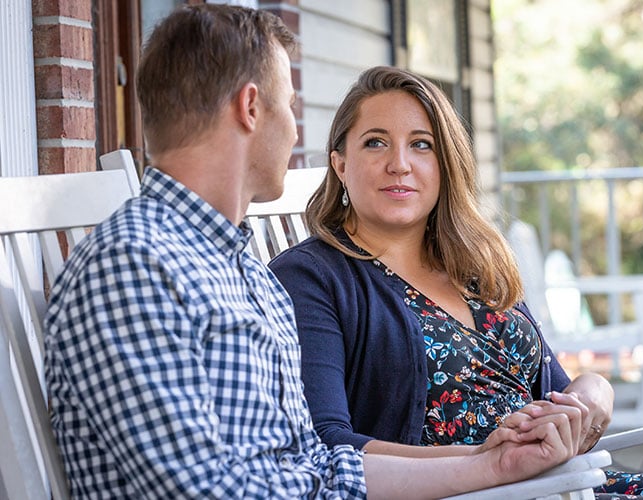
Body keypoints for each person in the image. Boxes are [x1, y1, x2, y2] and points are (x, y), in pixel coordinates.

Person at [43, 5, 589, 499]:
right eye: (289, 105)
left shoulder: (245, 275)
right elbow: (204, 488)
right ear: (251, 108)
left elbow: (320, 461)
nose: (294, 126)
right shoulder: (134, 265)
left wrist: (492, 463)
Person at [269, 66, 643, 499]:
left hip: (570, 483)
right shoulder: (312, 278)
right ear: (339, 163)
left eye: (422, 144)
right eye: (375, 142)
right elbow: (327, 444)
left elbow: (557, 390)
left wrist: (592, 398)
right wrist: (487, 461)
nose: (400, 163)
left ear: (445, 165)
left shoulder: (470, 265)